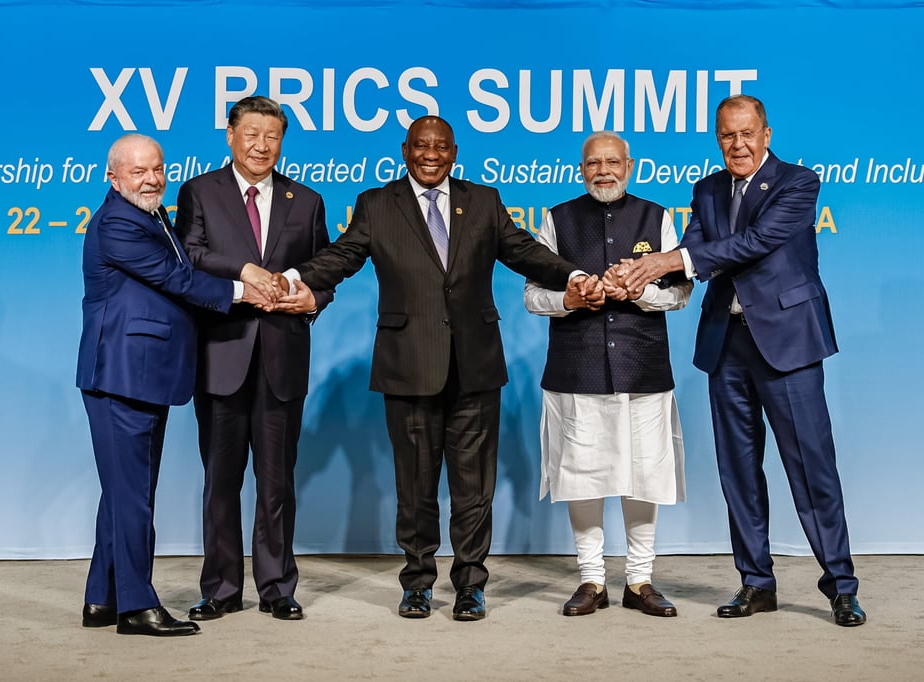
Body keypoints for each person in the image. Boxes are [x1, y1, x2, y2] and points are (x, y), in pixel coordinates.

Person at [283, 115, 580, 621]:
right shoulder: (377, 204)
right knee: (415, 487)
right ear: (405, 150)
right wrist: (292, 278)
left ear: (454, 152)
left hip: (476, 367)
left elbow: (523, 250)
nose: (431, 154)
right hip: (408, 365)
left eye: (441, 147)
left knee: (473, 488)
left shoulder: (483, 200)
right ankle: (417, 583)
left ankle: (470, 585)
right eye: (421, 146)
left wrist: (571, 272)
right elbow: (343, 255)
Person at [621, 95, 866, 627]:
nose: (738, 144)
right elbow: (692, 251)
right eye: (728, 136)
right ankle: (756, 582)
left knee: (811, 467)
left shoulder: (798, 183)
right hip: (726, 344)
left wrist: (670, 260)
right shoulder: (707, 188)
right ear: (718, 139)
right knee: (738, 471)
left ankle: (841, 585)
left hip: (788, 344)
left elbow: (754, 243)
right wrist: (634, 274)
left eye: (747, 133)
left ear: (767, 133)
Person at [76, 133, 247, 636]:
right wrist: (246, 287)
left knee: (124, 493)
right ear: (113, 177)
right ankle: (137, 606)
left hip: (147, 375)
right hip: (120, 377)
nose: (152, 179)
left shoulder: (150, 214)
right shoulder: (117, 224)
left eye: (157, 169)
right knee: (132, 498)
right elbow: (180, 281)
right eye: (138, 172)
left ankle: (101, 599)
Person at [175, 96, 333, 622]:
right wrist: (245, 270)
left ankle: (276, 588)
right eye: (252, 134)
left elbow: (322, 268)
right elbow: (190, 254)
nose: (262, 145)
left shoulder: (306, 201)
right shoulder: (200, 191)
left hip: (282, 360)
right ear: (230, 136)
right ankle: (220, 588)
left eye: (272, 136)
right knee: (220, 480)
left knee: (276, 482)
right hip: (222, 355)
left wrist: (312, 298)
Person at [525, 131, 691, 618]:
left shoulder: (656, 216)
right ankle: (591, 579)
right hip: (576, 369)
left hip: (643, 368)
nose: (604, 170)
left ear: (629, 165)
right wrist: (569, 300)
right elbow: (533, 296)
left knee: (644, 477)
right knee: (582, 476)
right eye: (593, 163)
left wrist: (638, 291)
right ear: (582, 169)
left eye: (612, 162)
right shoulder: (557, 219)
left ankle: (640, 580)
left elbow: (680, 295)